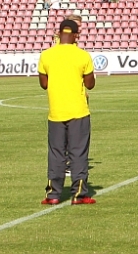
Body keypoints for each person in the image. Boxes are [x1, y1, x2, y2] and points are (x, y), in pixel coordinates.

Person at [38, 19, 97, 205]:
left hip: (55, 111)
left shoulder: (46, 55)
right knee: (78, 153)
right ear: (76, 35)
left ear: (58, 33)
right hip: (78, 111)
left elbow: (43, 84)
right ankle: (79, 194)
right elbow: (90, 84)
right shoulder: (83, 55)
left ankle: (53, 195)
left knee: (56, 153)